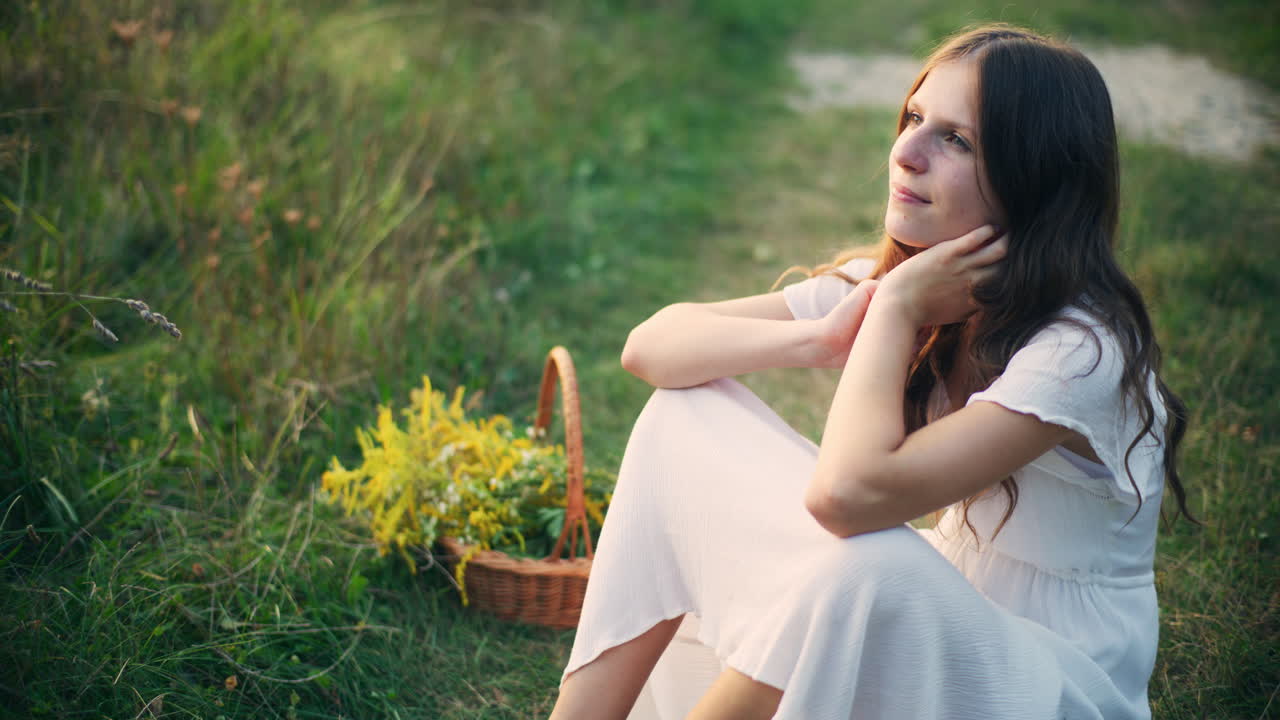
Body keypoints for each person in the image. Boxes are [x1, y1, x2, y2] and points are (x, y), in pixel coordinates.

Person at [549, 23, 1194, 720]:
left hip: (1052, 686)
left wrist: (894, 311)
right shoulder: (908, 284)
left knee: (869, 565)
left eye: (956, 140)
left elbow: (848, 496)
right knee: (686, 416)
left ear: (1033, 178)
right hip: (949, 616)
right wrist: (824, 337)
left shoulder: (1083, 351)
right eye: (915, 118)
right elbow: (651, 346)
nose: (906, 153)